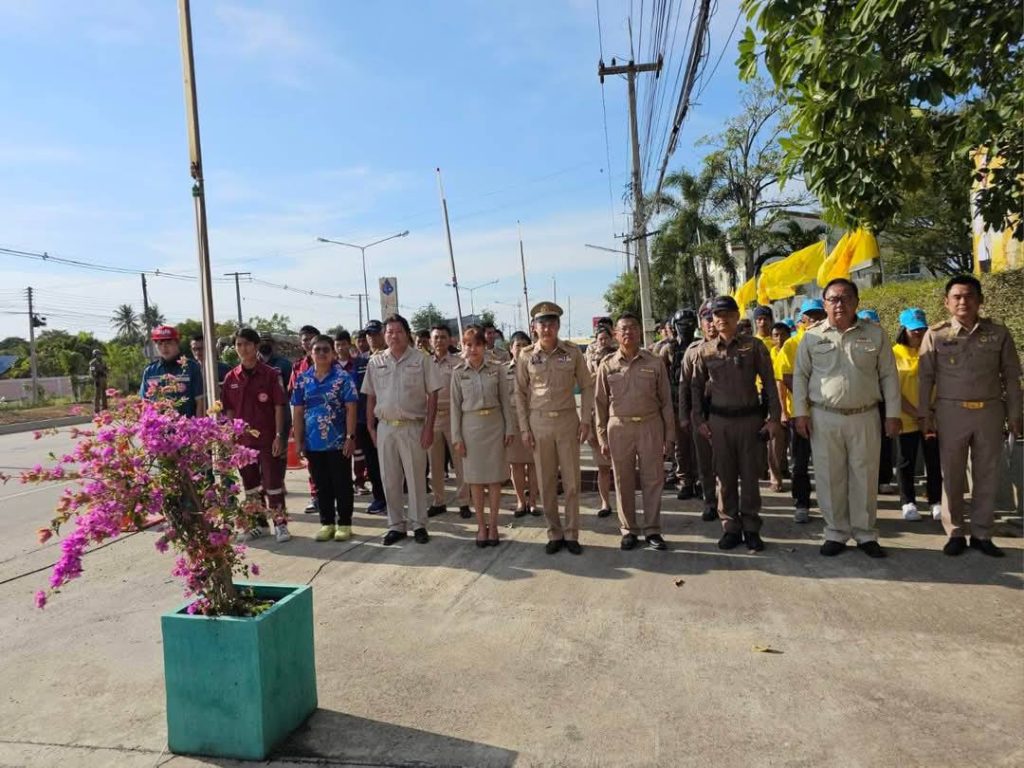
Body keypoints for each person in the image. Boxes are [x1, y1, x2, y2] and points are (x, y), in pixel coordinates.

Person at [792, 278, 901, 558]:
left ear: (856, 302)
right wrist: (800, 413)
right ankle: (835, 532)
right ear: (825, 304)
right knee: (830, 477)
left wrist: (892, 414)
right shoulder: (811, 336)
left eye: (845, 298)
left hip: (865, 416)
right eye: (833, 299)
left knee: (865, 476)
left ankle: (865, 534)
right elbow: (800, 376)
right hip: (824, 417)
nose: (839, 304)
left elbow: (889, 375)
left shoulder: (875, 334)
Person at [918, 275, 1022, 557]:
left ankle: (982, 534)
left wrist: (1015, 413)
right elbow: (925, 378)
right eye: (957, 297)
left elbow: (1011, 376)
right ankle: (954, 532)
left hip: (989, 411)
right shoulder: (936, 334)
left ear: (980, 300)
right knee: (951, 474)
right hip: (951, 412)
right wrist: (924, 414)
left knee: (987, 474)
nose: (963, 301)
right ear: (947, 302)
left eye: (969, 296)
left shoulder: (998, 333)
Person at [691, 296, 782, 551]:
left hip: (750, 421)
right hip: (719, 422)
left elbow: (769, 383)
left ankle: (751, 528)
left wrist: (774, 419)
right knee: (725, 477)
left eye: (728, 314)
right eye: (717, 315)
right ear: (712, 319)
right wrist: (699, 420)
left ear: (736, 316)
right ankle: (730, 527)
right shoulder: (705, 351)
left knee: (750, 477)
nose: (722, 319)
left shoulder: (753, 346)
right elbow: (695, 387)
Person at [514, 301, 594, 555]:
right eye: (542, 324)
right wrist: (524, 429)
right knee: (546, 482)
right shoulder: (526, 355)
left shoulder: (572, 352)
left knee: (572, 482)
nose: (547, 328)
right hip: (539, 423)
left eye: (551, 323)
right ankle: (554, 533)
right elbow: (519, 394)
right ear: (534, 328)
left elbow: (587, 385)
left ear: (558, 326)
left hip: (567, 421)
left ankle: (571, 533)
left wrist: (586, 420)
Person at [595, 312, 675, 551]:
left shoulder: (654, 362)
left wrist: (669, 436)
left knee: (653, 479)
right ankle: (628, 529)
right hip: (619, 428)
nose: (628, 332)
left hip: (650, 425)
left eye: (632, 327)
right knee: (623, 480)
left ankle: (652, 529)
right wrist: (601, 437)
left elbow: (666, 402)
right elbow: (599, 404)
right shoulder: (607, 365)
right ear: (616, 334)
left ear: (639, 332)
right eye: (623, 329)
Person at [362, 314, 442, 545]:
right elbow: (370, 395)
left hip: (413, 427)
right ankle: (396, 525)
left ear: (407, 334)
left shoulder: (421, 359)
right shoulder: (376, 361)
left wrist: (429, 428)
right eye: (389, 332)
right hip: (386, 428)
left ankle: (419, 524)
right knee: (389, 478)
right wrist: (371, 427)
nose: (394, 336)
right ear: (384, 335)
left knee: (416, 478)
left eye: (398, 331)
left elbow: (433, 395)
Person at [221, 328, 290, 543]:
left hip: (267, 439)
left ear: (256, 346)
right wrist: (230, 437)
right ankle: (259, 524)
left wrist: (279, 435)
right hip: (243, 443)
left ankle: (280, 524)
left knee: (273, 483)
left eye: (247, 344)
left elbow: (279, 406)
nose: (243, 349)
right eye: (239, 345)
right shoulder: (231, 377)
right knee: (250, 486)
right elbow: (229, 409)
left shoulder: (271, 374)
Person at [451, 326, 515, 546]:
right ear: (463, 346)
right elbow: (455, 408)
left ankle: (494, 525)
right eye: (468, 344)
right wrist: (457, 437)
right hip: (471, 429)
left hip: (495, 426)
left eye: (478, 344)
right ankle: (481, 526)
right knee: (476, 482)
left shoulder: (497, 369)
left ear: (484, 346)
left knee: (495, 480)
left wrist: (509, 429)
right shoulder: (458, 372)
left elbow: (505, 401)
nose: (473, 349)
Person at [291, 335, 359, 542]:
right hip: (313, 443)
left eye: (325, 349)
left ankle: (345, 524)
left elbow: (351, 408)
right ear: (310, 353)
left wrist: (350, 437)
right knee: (321, 485)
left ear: (333, 353)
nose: (321, 353)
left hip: (338, 441)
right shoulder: (303, 380)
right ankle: (327, 523)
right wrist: (299, 441)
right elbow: (298, 412)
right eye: (317, 349)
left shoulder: (343, 378)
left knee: (342, 483)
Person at [775, 298, 826, 523]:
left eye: (819, 315)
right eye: (810, 316)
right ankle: (802, 502)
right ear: (802, 320)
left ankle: (830, 504)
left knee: (828, 461)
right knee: (800, 461)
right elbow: (785, 378)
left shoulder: (832, 340)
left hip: (829, 412)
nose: (815, 320)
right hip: (801, 411)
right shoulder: (792, 344)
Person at [892, 308, 942, 522]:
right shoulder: (893, 354)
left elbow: (943, 384)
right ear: (903, 330)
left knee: (933, 460)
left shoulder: (933, 352)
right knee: (906, 461)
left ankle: (935, 501)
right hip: (906, 418)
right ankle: (908, 502)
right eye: (914, 330)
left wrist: (929, 412)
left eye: (922, 330)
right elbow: (893, 391)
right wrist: (917, 413)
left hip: (931, 418)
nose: (919, 334)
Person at [427, 323, 471, 518]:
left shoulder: (458, 362)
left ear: (450, 340)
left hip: (454, 416)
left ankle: (464, 502)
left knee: (459, 461)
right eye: (436, 337)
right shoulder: (424, 363)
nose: (439, 341)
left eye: (443, 337)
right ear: (430, 341)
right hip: (432, 417)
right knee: (435, 463)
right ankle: (439, 501)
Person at [680, 301, 718, 520]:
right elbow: (684, 385)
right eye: (707, 319)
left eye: (715, 318)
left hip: (728, 415)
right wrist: (684, 416)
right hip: (700, 416)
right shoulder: (692, 351)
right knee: (704, 462)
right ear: (701, 323)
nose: (711, 323)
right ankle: (710, 501)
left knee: (728, 464)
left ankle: (729, 502)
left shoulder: (736, 347)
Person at [504, 331, 540, 516]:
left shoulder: (537, 367)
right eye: (517, 345)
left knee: (534, 464)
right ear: (511, 348)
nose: (521, 349)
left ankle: (533, 501)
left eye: (525, 345)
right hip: (513, 424)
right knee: (516, 465)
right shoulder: (502, 371)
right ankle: (520, 501)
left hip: (534, 421)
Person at [351, 338, 387, 514]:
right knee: (372, 463)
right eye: (369, 335)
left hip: (387, 419)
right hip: (364, 421)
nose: (372, 338)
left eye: (376, 334)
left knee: (392, 464)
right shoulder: (360, 362)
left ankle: (395, 498)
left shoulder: (391, 358)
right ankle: (380, 498)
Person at [584, 323, 616, 518]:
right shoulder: (588, 359)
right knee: (602, 466)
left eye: (606, 338)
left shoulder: (618, 356)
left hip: (616, 415)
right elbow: (585, 386)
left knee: (621, 467)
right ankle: (605, 503)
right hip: (596, 416)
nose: (603, 342)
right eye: (600, 339)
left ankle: (625, 503)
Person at [289, 325, 321, 513]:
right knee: (311, 462)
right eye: (304, 340)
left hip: (330, 422)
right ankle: (316, 496)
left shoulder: (331, 364)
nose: (308, 343)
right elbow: (294, 397)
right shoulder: (298, 367)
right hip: (308, 422)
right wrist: (296, 427)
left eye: (311, 339)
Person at [140, 325, 205, 417]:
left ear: (177, 343)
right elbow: (145, 404)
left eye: (168, 343)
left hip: (187, 423)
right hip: (159, 424)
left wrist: (199, 424)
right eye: (160, 344)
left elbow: (200, 402)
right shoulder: (150, 371)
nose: (164, 347)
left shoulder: (191, 367)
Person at [669, 309, 699, 498]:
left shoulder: (700, 346)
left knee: (699, 446)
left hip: (698, 404)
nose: (686, 328)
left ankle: (700, 481)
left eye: (689, 324)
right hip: (675, 405)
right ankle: (685, 481)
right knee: (680, 447)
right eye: (682, 325)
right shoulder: (668, 349)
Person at [767, 321, 792, 492]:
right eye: (776, 335)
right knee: (775, 442)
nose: (780, 338)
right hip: (776, 404)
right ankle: (775, 479)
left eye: (783, 334)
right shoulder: (769, 354)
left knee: (789, 443)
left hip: (794, 405)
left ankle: (784, 469)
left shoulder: (794, 351)